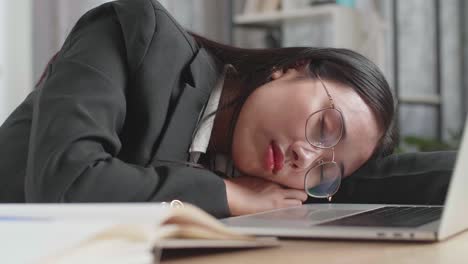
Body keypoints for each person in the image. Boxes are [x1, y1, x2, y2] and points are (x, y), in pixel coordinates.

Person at [0, 0, 397, 218]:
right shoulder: (134, 31)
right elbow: (66, 186)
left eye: (324, 170)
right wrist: (226, 194)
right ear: (290, 69)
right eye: (325, 127)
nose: (303, 157)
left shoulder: (265, 189)